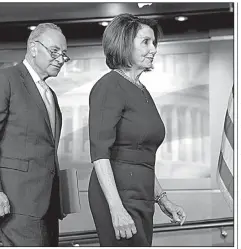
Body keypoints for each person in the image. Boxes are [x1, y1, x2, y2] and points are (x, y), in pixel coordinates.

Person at [88, 13, 186, 247]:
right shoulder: (109, 85)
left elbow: (141, 156)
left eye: (154, 43)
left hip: (142, 194)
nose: (153, 49)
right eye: (145, 42)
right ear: (123, 43)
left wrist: (162, 199)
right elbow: (99, 153)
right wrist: (116, 208)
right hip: (118, 196)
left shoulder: (141, 89)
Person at [0, 23, 70, 246]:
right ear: (34, 48)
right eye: (55, 51)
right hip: (15, 200)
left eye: (64, 54)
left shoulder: (49, 93)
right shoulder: (4, 79)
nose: (61, 59)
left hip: (48, 203)